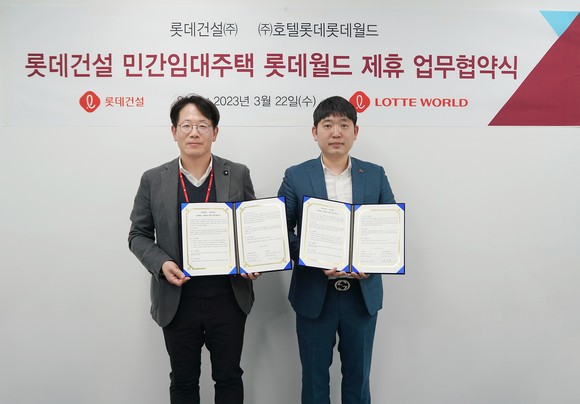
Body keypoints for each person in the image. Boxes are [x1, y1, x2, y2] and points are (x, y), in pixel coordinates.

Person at [128, 94, 259, 404]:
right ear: (174, 132)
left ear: (215, 132)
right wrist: (162, 264)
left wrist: (255, 260)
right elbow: (138, 234)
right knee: (183, 381)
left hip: (228, 297)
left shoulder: (237, 173)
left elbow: (253, 227)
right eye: (186, 125)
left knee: (229, 377)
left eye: (202, 125)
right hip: (177, 298)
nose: (194, 132)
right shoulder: (153, 179)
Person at [278, 96, 396, 404]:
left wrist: (372, 262)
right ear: (314, 132)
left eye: (344, 125)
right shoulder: (296, 175)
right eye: (328, 125)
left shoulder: (375, 174)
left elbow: (389, 229)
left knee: (358, 380)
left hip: (361, 295)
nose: (336, 133)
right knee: (314, 381)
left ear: (355, 132)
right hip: (315, 294)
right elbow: (281, 230)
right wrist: (310, 257)